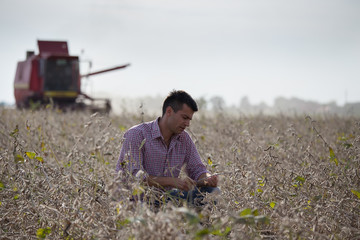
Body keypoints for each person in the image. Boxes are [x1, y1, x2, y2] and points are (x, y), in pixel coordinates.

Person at [116, 90, 219, 207]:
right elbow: (134, 177)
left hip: (166, 200)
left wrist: (207, 179)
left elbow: (197, 169)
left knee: (213, 192)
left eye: (189, 119)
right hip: (136, 201)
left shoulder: (184, 139)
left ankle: (199, 224)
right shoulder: (137, 134)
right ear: (169, 111)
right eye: (184, 118)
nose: (187, 124)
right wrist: (173, 181)